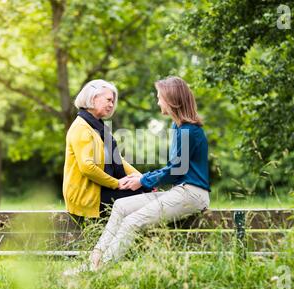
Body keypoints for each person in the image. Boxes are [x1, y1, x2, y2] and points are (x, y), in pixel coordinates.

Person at [64, 76, 210, 275]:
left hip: (192, 194)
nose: (158, 101)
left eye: (160, 97)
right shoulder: (178, 128)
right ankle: (93, 261)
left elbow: (176, 170)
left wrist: (143, 180)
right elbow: (174, 168)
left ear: (172, 99)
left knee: (132, 222)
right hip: (181, 191)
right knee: (121, 205)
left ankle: (96, 271)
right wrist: (143, 180)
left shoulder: (189, 131)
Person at [62, 79, 146, 221]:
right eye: (108, 100)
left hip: (101, 189)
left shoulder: (98, 127)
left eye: (112, 101)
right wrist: (117, 183)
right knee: (142, 198)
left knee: (144, 191)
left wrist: (143, 179)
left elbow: (118, 160)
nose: (111, 105)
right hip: (87, 196)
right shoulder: (82, 128)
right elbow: (87, 167)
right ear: (93, 98)